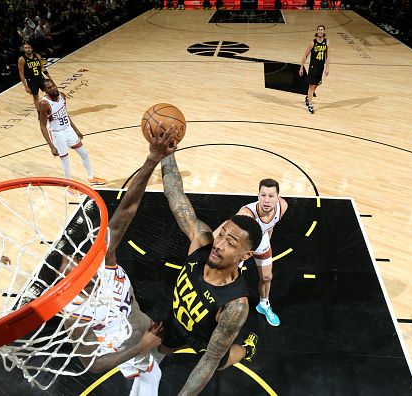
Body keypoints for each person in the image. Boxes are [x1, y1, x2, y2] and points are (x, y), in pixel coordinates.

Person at [62, 125, 179, 395]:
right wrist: (141, 347)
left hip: (144, 329)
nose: (80, 267)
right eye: (71, 271)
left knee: (154, 366)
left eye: (79, 261)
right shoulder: (76, 314)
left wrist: (152, 160)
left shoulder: (102, 262)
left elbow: (127, 208)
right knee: (151, 375)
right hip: (129, 352)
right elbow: (92, 365)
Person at [159, 153, 261, 395]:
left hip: (205, 341)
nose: (219, 243)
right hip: (178, 320)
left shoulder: (235, 306)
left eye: (231, 242)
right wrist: (164, 152)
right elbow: (175, 195)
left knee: (222, 362)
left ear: (245, 256)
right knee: (162, 349)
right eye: (222, 233)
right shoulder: (201, 240)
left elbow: (208, 361)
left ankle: (247, 349)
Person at [235, 179, 287, 326]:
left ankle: (263, 304)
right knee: (232, 279)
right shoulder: (246, 214)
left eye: (271, 196)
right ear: (257, 196)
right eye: (263, 195)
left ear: (278, 197)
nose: (266, 200)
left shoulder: (282, 206)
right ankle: (225, 306)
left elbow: (271, 225)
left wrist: (267, 240)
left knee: (267, 276)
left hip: (261, 239)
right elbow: (229, 234)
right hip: (241, 245)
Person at [38, 79, 107, 186]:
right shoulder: (44, 103)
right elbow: (42, 126)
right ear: (44, 91)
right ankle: (68, 185)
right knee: (65, 160)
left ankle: (91, 178)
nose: (53, 89)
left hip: (68, 130)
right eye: (49, 88)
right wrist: (51, 146)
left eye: (53, 86)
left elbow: (65, 114)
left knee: (84, 153)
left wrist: (75, 129)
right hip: (57, 134)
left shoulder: (62, 96)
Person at [299, 24, 330, 114]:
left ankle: (308, 97)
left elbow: (327, 56)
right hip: (313, 66)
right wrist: (301, 67)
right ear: (317, 31)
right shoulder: (313, 43)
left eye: (322, 29)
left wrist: (327, 68)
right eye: (319, 29)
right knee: (311, 85)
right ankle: (310, 104)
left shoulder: (327, 42)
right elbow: (305, 55)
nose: (320, 31)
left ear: (324, 31)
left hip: (321, 66)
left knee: (316, 84)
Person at [18, 42, 50, 111]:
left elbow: (42, 68)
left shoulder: (37, 56)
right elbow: (21, 74)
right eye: (26, 48)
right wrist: (26, 86)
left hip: (40, 78)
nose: (27, 49)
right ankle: (39, 112)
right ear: (24, 49)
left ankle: (52, 107)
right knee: (36, 97)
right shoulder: (21, 59)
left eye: (29, 47)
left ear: (32, 49)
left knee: (49, 91)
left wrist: (49, 77)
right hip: (31, 81)